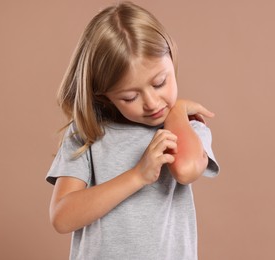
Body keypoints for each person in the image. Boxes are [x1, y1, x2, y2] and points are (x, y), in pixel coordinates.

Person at [46, 2, 219, 259]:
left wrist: (177, 111)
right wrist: (137, 176)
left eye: (160, 83)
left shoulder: (186, 125)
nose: (152, 103)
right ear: (104, 96)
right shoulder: (87, 132)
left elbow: (186, 170)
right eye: (129, 97)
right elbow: (61, 217)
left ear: (171, 56)